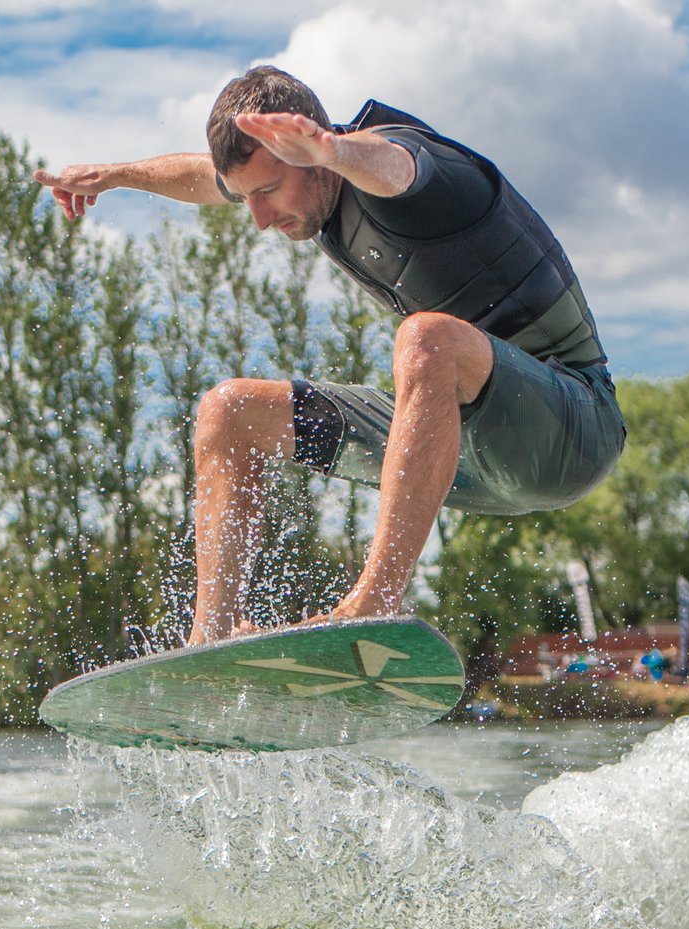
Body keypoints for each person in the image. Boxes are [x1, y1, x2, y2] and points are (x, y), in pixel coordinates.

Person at [34, 66, 627, 645]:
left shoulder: (413, 168)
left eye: (268, 191)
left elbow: (395, 165)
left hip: (570, 429)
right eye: (246, 198)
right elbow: (199, 176)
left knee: (427, 340)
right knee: (228, 410)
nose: (259, 218)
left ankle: (371, 606)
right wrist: (114, 175)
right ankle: (210, 644)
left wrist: (334, 150)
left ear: (316, 155)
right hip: (460, 447)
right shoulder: (297, 180)